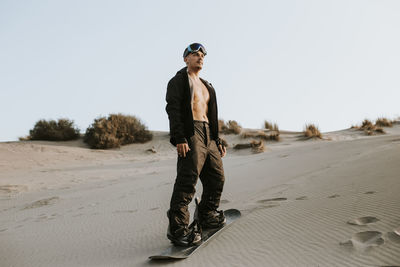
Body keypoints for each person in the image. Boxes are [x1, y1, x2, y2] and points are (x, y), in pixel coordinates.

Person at [165, 43, 227, 246]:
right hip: (191, 133)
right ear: (185, 59)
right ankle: (178, 230)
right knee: (187, 181)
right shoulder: (179, 80)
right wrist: (180, 137)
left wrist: (217, 140)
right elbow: (173, 109)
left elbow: (213, 115)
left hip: (208, 134)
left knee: (217, 178)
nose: (199, 57)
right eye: (194, 54)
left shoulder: (208, 86)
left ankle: (208, 214)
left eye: (202, 55)